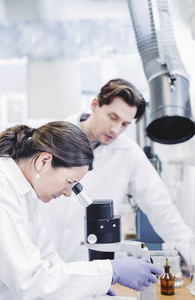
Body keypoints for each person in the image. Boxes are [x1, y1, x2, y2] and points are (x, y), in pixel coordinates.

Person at [0, 121, 161, 300]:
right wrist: (110, 271)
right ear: (44, 161)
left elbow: (50, 263)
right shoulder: (0, 194)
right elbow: (31, 282)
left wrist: (89, 287)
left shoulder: (25, 193)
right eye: (69, 182)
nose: (68, 193)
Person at [39, 79, 192, 265]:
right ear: (95, 104)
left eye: (125, 124)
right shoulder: (48, 135)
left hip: (88, 263)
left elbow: (162, 208)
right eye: (112, 117)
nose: (116, 129)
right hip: (41, 257)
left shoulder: (128, 152)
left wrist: (190, 254)